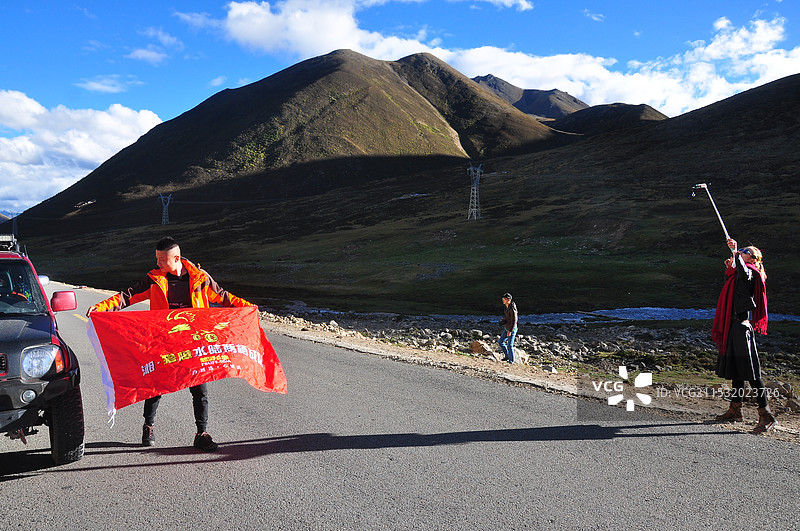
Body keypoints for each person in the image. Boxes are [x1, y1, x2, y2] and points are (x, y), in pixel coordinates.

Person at [87, 236, 255, 451]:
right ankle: (148, 425)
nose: (158, 263)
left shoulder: (200, 278)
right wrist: (101, 307)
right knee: (155, 386)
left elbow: (223, 297)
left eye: (162, 260)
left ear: (176, 258)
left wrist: (248, 308)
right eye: (157, 259)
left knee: (200, 390)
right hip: (164, 342)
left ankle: (201, 433)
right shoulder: (154, 279)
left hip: (194, 343)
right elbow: (127, 296)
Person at [712, 238, 776, 434]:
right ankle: (735, 410)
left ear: (754, 259)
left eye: (745, 251)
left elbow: (744, 273)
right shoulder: (738, 274)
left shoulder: (752, 273)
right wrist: (732, 265)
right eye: (741, 249)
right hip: (732, 325)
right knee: (736, 370)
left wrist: (735, 253)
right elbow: (733, 293)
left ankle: (766, 415)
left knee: (751, 372)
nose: (741, 251)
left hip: (741, 327)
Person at [498, 293, 518, 363]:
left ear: (508, 300)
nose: (503, 300)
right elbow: (508, 318)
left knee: (510, 345)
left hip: (512, 329)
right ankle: (507, 355)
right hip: (507, 328)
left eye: (504, 299)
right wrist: (503, 321)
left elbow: (514, 320)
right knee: (500, 342)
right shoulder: (506, 307)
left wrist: (510, 331)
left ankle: (511, 361)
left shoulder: (512, 308)